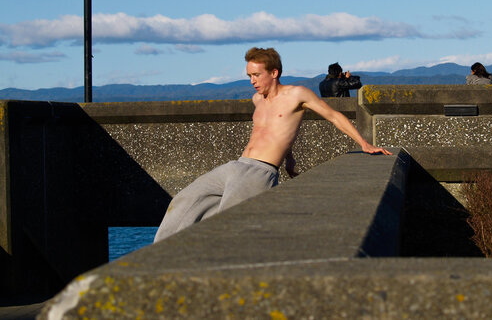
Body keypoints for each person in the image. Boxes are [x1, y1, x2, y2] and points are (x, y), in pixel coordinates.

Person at [154, 47, 391, 242]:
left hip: (260, 171)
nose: (252, 81)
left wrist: (363, 143)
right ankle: (157, 259)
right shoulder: (257, 99)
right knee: (184, 201)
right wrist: (290, 158)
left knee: (227, 224)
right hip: (236, 165)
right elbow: (274, 132)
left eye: (256, 75)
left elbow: (333, 116)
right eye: (249, 76)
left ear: (274, 72)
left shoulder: (297, 94)